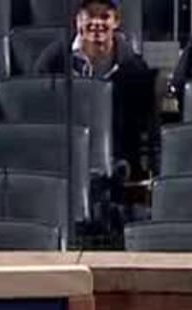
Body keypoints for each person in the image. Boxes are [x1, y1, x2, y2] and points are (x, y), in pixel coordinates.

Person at [30, 0, 158, 184]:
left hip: (117, 162)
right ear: (77, 21)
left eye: (105, 16)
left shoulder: (135, 68)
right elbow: (39, 112)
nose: (97, 23)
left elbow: (144, 124)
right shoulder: (53, 60)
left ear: (116, 22)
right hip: (62, 158)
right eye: (90, 16)